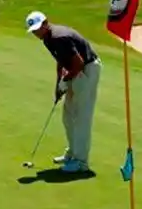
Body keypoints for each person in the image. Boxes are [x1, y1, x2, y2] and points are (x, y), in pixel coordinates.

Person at [25, 10, 102, 173]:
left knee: (81, 117)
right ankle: (72, 153)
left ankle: (81, 162)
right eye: (34, 31)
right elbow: (61, 61)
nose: (36, 33)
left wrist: (65, 81)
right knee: (68, 116)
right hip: (76, 70)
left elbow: (79, 64)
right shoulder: (47, 39)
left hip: (88, 70)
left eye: (38, 28)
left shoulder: (59, 37)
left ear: (46, 23)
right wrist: (58, 85)